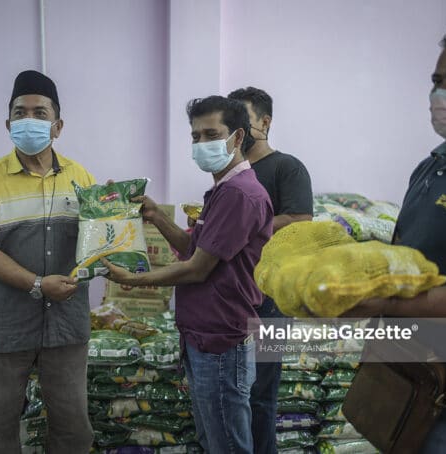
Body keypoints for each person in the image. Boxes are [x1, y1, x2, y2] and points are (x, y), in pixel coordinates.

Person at [344, 22, 446, 452]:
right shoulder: (430, 168)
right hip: (406, 388)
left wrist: (392, 303)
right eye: (437, 82)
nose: (442, 94)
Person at [103, 95, 273, 454]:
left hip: (223, 340)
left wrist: (132, 280)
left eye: (211, 134)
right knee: (212, 439)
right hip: (203, 335)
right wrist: (157, 216)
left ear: (238, 137)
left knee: (227, 444)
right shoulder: (222, 191)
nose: (200, 144)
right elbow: (194, 249)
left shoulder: (241, 195)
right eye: (195, 136)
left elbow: (197, 270)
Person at [0, 70, 95, 453]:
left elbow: (98, 242)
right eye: (20, 112)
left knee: (72, 429)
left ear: (58, 125)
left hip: (65, 327)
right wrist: (36, 284)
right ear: (8, 123)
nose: (29, 120)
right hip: (5, 326)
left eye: (39, 112)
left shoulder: (81, 178)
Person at [228, 86, 313, 454]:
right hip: (235, 296)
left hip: (272, 300)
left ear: (265, 122)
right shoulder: (233, 172)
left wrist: (246, 222)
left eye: (243, 121)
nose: (237, 131)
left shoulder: (286, 166)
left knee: (261, 395)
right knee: (235, 393)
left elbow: (301, 220)